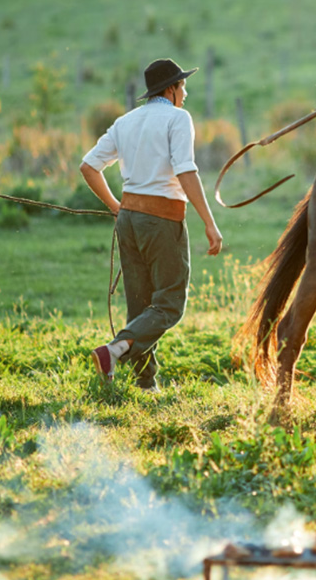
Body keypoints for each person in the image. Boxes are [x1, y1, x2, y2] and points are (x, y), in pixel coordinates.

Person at [82, 57, 223, 391]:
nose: (185, 93)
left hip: (128, 219)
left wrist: (117, 207)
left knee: (141, 304)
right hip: (162, 219)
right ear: (171, 89)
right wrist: (209, 222)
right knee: (170, 303)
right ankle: (115, 350)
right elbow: (186, 171)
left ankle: (146, 383)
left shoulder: (125, 121)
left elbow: (89, 166)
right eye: (183, 86)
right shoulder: (178, 118)